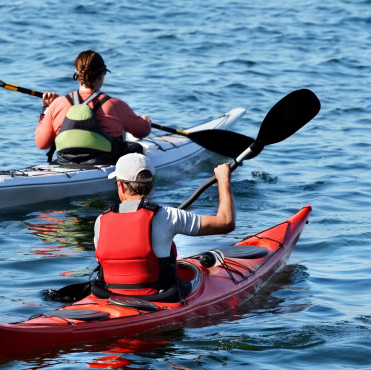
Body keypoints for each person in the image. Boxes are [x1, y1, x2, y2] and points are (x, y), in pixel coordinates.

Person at [92, 153, 235, 302]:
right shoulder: (168, 216)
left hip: (109, 297)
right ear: (152, 184)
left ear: (120, 185)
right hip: (157, 299)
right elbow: (226, 222)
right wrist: (223, 180)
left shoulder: (101, 220)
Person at [35, 50, 151, 165]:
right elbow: (142, 131)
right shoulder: (114, 105)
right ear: (101, 75)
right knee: (135, 147)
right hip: (104, 161)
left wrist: (46, 109)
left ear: (77, 75)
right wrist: (145, 122)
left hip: (66, 162)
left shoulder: (57, 104)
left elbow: (42, 143)